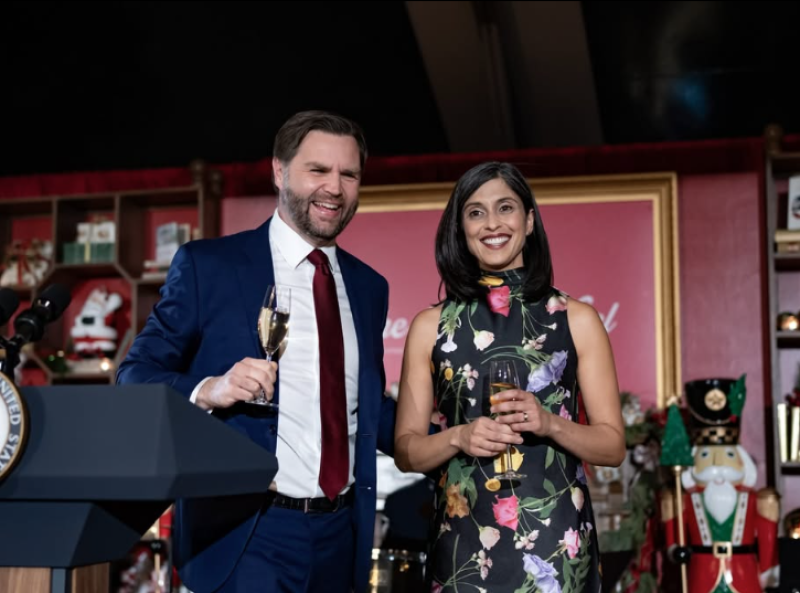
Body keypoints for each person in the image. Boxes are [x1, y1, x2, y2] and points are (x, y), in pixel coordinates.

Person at [117, 110, 396, 593]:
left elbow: (363, 410)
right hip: (247, 537)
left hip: (341, 537)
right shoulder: (210, 266)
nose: (334, 187)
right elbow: (134, 377)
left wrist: (454, 436)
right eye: (318, 170)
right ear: (278, 171)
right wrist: (210, 389)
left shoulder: (370, 288)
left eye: (348, 174)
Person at [394, 161, 626, 592]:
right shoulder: (430, 326)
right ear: (459, 228)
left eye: (506, 208)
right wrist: (457, 438)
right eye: (476, 212)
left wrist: (550, 423)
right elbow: (407, 451)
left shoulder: (577, 319)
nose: (492, 224)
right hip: (464, 547)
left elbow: (612, 447)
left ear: (530, 220)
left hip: (557, 546)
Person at [662, 377, 779, 593]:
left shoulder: (755, 498)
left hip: (744, 575)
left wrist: (768, 570)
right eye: (706, 456)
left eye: (727, 456)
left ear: (741, 459)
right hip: (702, 574)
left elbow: (766, 537)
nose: (717, 466)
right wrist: (675, 551)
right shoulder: (684, 499)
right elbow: (673, 540)